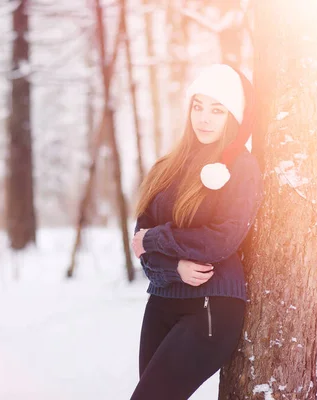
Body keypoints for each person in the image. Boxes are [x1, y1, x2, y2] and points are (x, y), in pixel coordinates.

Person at [128, 63, 264, 400]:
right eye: (198, 106)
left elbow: (222, 239)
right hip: (161, 300)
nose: (203, 118)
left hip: (212, 306)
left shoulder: (240, 168)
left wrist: (157, 239)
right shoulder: (166, 167)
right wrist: (172, 267)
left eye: (217, 110)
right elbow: (139, 241)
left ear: (233, 116)